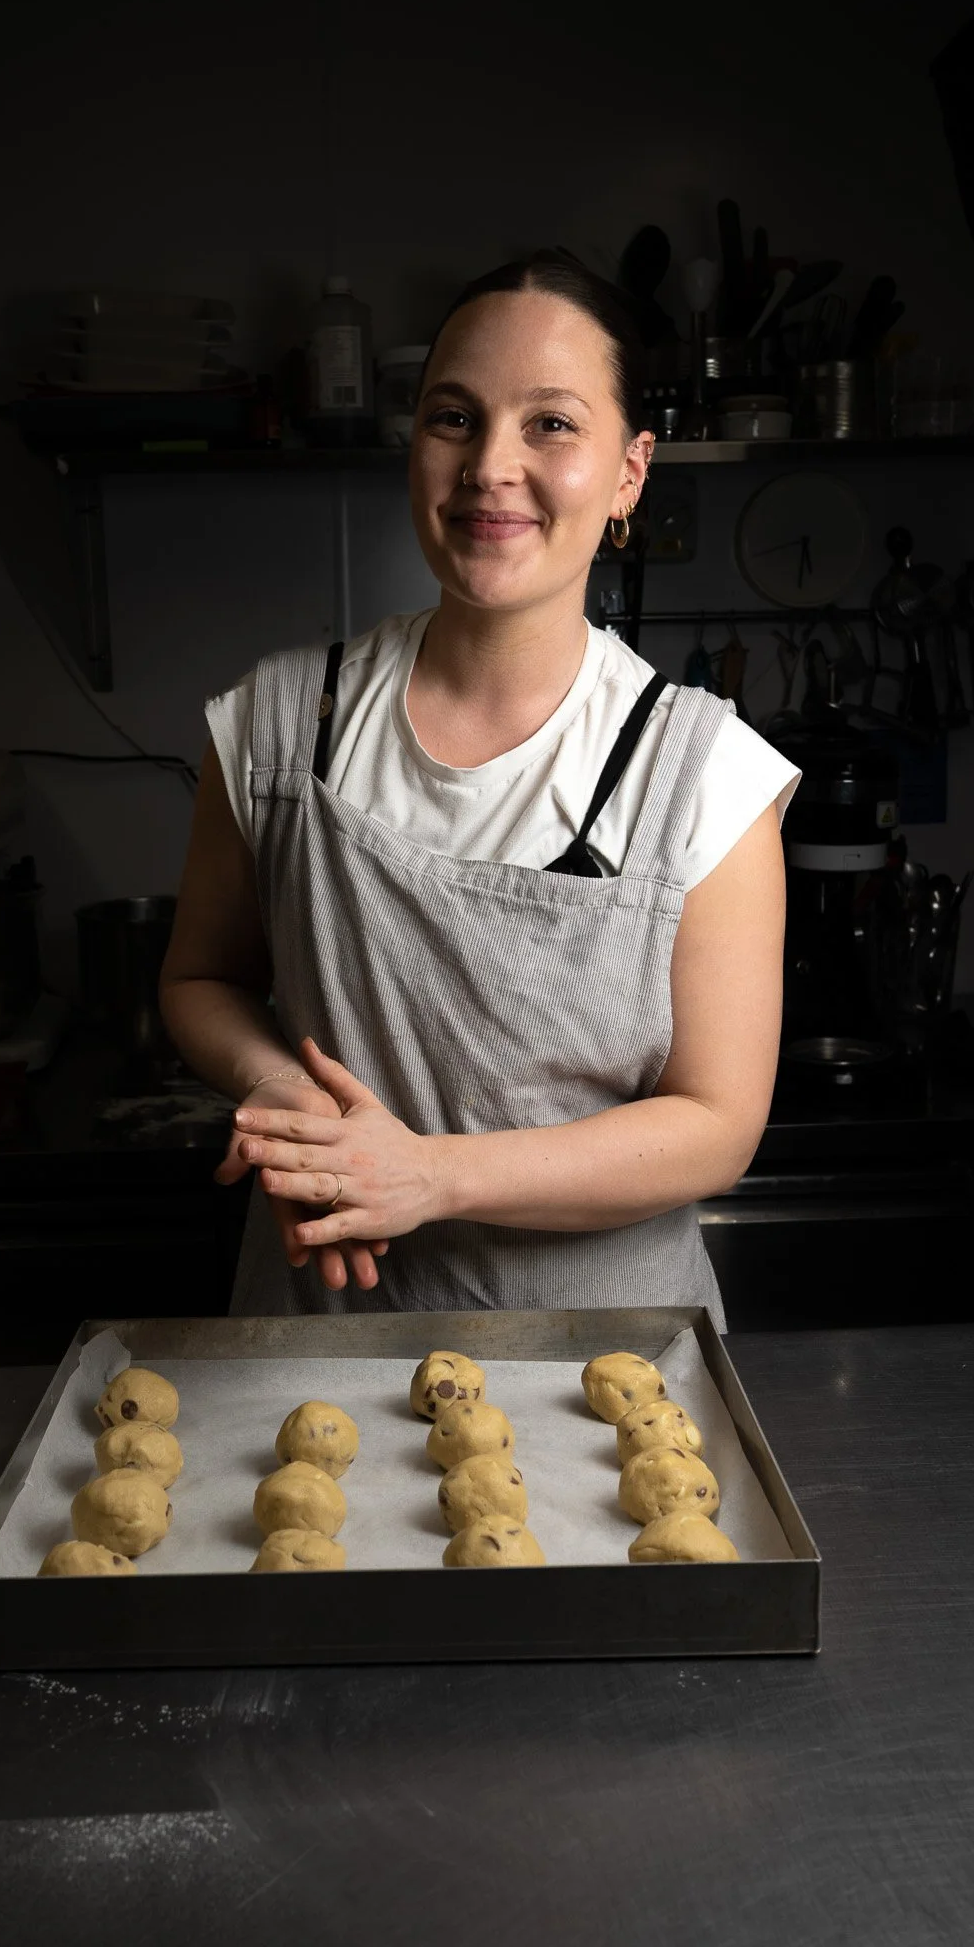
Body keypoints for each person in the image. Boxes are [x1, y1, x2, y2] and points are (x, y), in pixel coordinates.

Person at [160, 248, 799, 1322]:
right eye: (454, 417)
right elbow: (199, 982)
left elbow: (717, 1122)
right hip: (323, 1348)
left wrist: (431, 1175)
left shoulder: (704, 772)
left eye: (550, 422)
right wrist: (291, 1104)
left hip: (608, 1377)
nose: (490, 464)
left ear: (632, 471)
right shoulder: (280, 724)